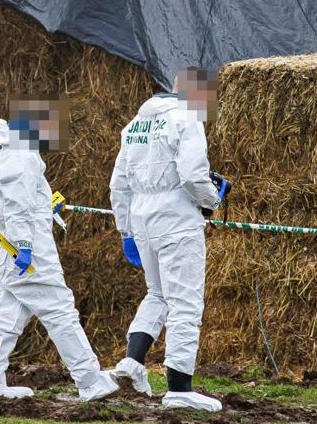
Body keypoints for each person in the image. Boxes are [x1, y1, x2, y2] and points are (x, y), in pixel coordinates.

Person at [0, 98, 119, 402]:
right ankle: (90, 380)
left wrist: (47, 207)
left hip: (4, 252)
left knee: (7, 318)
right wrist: (25, 247)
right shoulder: (21, 157)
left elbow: (7, 205)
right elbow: (16, 210)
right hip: (25, 255)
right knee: (60, 311)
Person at [108, 68, 224, 412]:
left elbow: (119, 185)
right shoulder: (186, 119)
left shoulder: (134, 126)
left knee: (157, 293)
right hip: (176, 220)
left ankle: (132, 363)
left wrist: (125, 230)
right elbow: (192, 176)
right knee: (185, 302)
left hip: (142, 218)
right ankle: (179, 387)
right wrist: (213, 200)